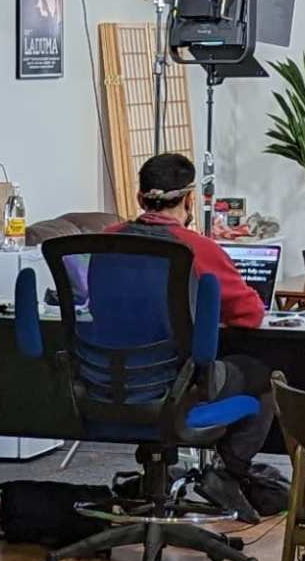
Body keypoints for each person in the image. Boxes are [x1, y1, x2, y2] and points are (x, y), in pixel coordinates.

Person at [120, 151, 287, 514]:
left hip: (113, 381)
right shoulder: (199, 249)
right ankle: (231, 472)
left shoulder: (106, 241)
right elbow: (249, 314)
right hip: (177, 384)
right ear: (190, 198)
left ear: (139, 198)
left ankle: (157, 479)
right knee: (261, 376)